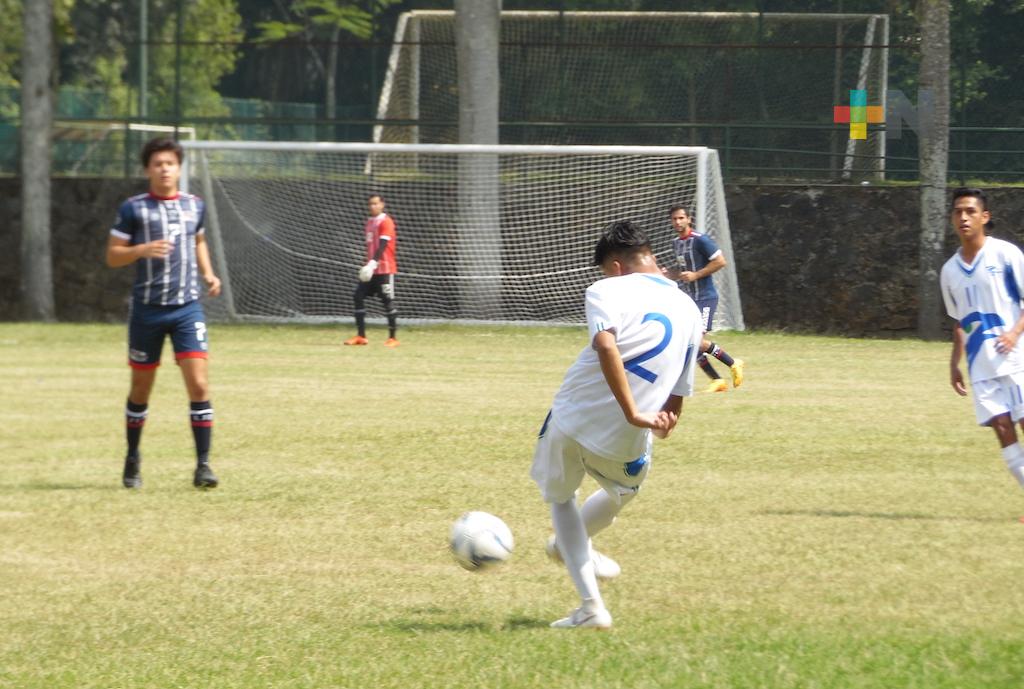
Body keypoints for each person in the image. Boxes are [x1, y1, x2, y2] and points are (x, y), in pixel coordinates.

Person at [530, 220, 704, 630]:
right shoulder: (690, 309)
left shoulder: (606, 289)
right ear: (651, 256)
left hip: (575, 418)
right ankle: (575, 547)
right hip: (630, 436)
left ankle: (590, 603)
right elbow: (680, 381)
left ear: (616, 266)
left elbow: (605, 342)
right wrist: (662, 419)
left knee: (562, 499)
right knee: (622, 491)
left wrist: (631, 410)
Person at [106, 137, 222, 489]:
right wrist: (141, 249)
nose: (164, 169)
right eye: (157, 164)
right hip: (147, 312)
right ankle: (132, 458)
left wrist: (208, 273)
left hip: (187, 308)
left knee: (199, 384)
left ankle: (203, 466)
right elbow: (112, 255)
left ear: (178, 167)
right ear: (147, 170)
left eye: (170, 163)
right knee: (141, 388)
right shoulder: (134, 209)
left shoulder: (194, 205)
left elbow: (198, 240)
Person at [942, 187, 1024, 512]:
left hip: (1016, 359)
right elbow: (960, 321)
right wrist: (953, 364)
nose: (963, 217)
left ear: (984, 217)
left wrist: (1015, 333)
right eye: (958, 212)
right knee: (1003, 431)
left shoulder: (1006, 255)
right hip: (981, 367)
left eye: (970, 211)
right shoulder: (949, 271)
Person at [662, 204, 744, 392]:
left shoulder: (701, 240)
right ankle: (717, 381)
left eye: (681, 218)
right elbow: (684, 272)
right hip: (689, 300)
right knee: (687, 341)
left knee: (696, 342)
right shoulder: (677, 243)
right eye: (674, 219)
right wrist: (668, 273)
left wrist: (697, 275)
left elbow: (720, 261)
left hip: (706, 298)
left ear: (689, 219)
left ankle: (733, 363)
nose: (678, 221)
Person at [344, 193, 399, 347]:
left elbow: (383, 244)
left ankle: (393, 338)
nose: (372, 206)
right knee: (358, 296)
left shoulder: (386, 221)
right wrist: (368, 264)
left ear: (382, 205)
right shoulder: (369, 222)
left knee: (387, 301)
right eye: (370, 204)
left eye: (376, 204)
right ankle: (361, 336)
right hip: (371, 269)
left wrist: (374, 262)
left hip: (384, 269)